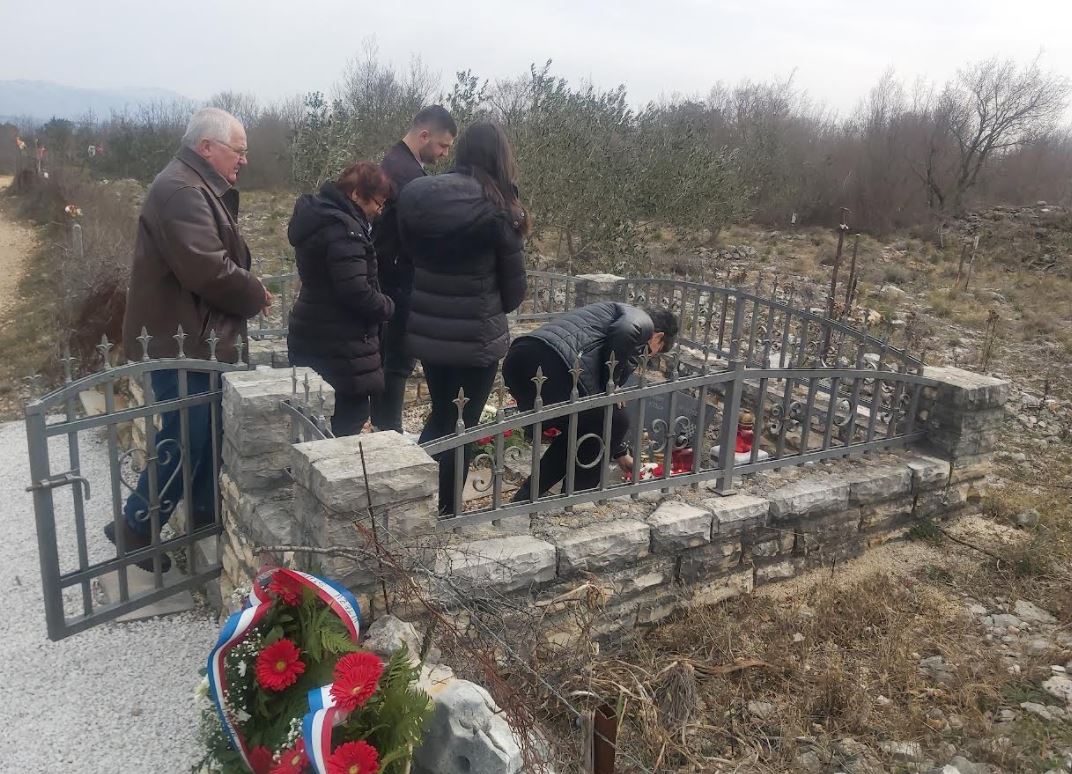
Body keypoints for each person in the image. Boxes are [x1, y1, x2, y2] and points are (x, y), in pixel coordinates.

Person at [109, 107, 271, 571]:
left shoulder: (192, 184)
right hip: (183, 343)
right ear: (206, 147)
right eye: (238, 151)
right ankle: (135, 527)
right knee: (186, 439)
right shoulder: (183, 190)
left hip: (191, 338)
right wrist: (253, 291)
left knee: (200, 436)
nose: (243, 160)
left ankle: (202, 521)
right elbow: (207, 269)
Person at [398, 120, 528, 514]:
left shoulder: (421, 196)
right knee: (462, 426)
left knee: (443, 415)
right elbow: (513, 295)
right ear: (500, 155)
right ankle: (444, 511)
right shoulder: (499, 207)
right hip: (476, 340)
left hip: (430, 334)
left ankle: (410, 496)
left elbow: (409, 257)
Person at [502, 303, 679, 500]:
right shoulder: (641, 321)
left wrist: (619, 452)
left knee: (583, 430)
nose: (650, 356)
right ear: (658, 337)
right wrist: (611, 385)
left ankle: (526, 497)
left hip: (522, 358)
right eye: (657, 350)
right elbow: (626, 330)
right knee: (616, 420)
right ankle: (576, 500)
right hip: (553, 362)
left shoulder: (613, 313)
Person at [287, 162, 395, 436]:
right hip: (343, 348)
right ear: (356, 194)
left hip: (314, 333)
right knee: (347, 429)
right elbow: (356, 291)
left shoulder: (318, 218)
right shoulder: (345, 230)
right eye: (377, 203)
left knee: (313, 429)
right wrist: (387, 305)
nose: (379, 211)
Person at [371, 106, 458, 434]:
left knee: (392, 359)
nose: (445, 153)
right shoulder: (407, 176)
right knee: (397, 361)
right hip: (398, 280)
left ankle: (386, 427)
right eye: (443, 145)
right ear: (424, 135)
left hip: (391, 276)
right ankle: (390, 432)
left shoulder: (396, 163)